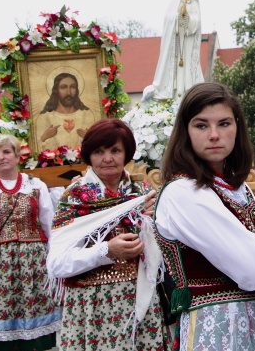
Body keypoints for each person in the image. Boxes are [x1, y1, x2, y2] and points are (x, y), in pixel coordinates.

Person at [154, 82, 255, 351]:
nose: (214, 135)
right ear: (185, 132)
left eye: (224, 124)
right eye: (201, 125)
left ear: (237, 128)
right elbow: (254, 270)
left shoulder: (237, 187)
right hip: (219, 324)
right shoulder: (183, 192)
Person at [46, 119, 166, 351]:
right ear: (89, 156)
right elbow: (57, 264)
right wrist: (106, 251)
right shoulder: (75, 198)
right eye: (99, 151)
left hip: (140, 301)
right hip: (92, 306)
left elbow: (164, 249)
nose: (108, 158)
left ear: (127, 154)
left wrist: (153, 224)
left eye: (115, 150)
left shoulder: (141, 194)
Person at [0, 135, 61, 351]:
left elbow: (49, 224)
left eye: (6, 152)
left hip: (33, 261)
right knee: (2, 307)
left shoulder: (35, 184)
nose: (1, 158)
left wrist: (53, 258)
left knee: (34, 305)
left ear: (17, 155)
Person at [145, 0, 204, 102]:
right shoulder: (174, 2)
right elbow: (168, 20)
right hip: (175, 41)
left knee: (188, 67)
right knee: (174, 66)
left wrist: (186, 17)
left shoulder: (195, 3)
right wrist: (178, 16)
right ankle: (173, 94)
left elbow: (197, 22)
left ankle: (187, 93)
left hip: (188, 42)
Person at [36, 72, 97, 150]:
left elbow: (99, 147)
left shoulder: (87, 115)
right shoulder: (44, 117)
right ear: (56, 90)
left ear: (77, 90)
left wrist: (90, 139)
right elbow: (35, 151)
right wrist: (44, 138)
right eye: (63, 87)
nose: (69, 92)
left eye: (73, 87)